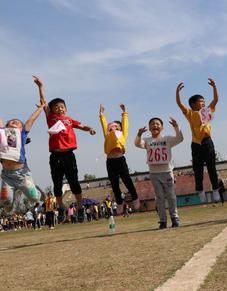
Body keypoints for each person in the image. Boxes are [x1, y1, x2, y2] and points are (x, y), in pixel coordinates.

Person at [33, 76, 96, 222]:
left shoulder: (69, 120)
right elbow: (44, 103)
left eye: (62, 107)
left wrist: (90, 129)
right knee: (57, 183)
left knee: (74, 182)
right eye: (56, 107)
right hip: (55, 155)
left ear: (66, 109)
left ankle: (80, 207)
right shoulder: (51, 118)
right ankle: (61, 207)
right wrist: (40, 87)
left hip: (69, 154)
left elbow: (81, 126)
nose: (59, 109)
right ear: (53, 111)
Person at [176, 79, 220, 203]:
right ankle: (200, 191)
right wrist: (177, 92)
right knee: (198, 169)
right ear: (193, 104)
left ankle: (216, 189)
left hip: (207, 142)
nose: (203, 103)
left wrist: (214, 86)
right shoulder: (190, 113)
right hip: (196, 144)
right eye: (201, 102)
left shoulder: (207, 111)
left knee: (212, 167)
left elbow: (215, 100)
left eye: (204, 102)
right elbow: (179, 104)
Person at [135, 117, 183, 229]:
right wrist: (139, 134)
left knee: (171, 196)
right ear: (149, 127)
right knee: (159, 198)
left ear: (162, 127)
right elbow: (137, 144)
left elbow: (180, 138)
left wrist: (176, 126)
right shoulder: (147, 141)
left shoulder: (167, 139)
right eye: (152, 124)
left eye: (157, 124)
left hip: (167, 172)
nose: (155, 125)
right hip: (154, 173)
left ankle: (175, 218)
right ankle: (162, 221)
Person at [0, 103, 46, 212]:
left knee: (34, 198)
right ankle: (10, 203)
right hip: (7, 176)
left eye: (18, 122)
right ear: (6, 126)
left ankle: (40, 193)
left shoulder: (22, 134)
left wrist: (40, 108)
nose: (15, 121)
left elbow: (31, 120)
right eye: (12, 121)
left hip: (22, 174)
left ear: (21, 128)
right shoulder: (2, 133)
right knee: (5, 200)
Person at [99, 103, 140, 215]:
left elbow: (125, 125)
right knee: (114, 184)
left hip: (120, 159)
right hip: (110, 161)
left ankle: (135, 197)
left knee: (127, 180)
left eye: (116, 126)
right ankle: (120, 202)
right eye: (111, 126)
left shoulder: (122, 134)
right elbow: (104, 125)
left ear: (120, 128)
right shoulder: (107, 136)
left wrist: (124, 112)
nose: (113, 127)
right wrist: (102, 115)